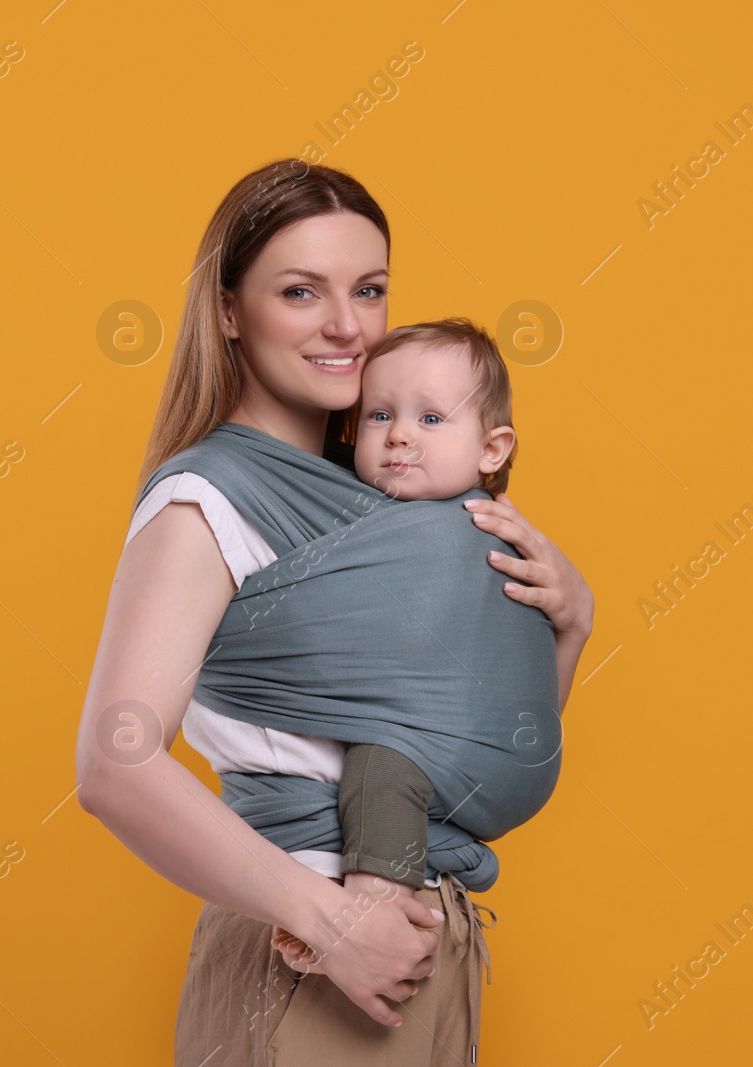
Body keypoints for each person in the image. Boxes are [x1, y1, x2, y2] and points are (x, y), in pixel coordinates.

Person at [75, 158, 593, 1066]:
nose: (346, 325)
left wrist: (571, 624)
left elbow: (464, 739)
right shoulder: (208, 501)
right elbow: (113, 764)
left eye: (369, 288)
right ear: (231, 311)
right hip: (313, 954)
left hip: (428, 939)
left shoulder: (395, 488)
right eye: (301, 291)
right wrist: (334, 919)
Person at [259, 316, 542, 973]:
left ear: (491, 450)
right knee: (350, 784)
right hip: (459, 755)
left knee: (380, 765)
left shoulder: (478, 526)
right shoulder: (378, 508)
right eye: (379, 415)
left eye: (432, 419)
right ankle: (463, 856)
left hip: (477, 736)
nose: (400, 435)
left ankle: (364, 913)